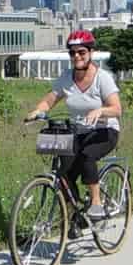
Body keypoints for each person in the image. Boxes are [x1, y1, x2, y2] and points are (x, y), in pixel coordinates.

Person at [27, 30, 123, 228]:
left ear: (91, 53)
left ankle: (96, 203)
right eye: (72, 53)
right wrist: (37, 111)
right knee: (63, 171)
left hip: (105, 131)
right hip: (79, 132)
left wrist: (101, 111)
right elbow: (50, 99)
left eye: (81, 52)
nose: (77, 56)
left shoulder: (102, 78)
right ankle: (75, 216)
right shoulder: (66, 78)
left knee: (88, 156)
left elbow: (117, 109)